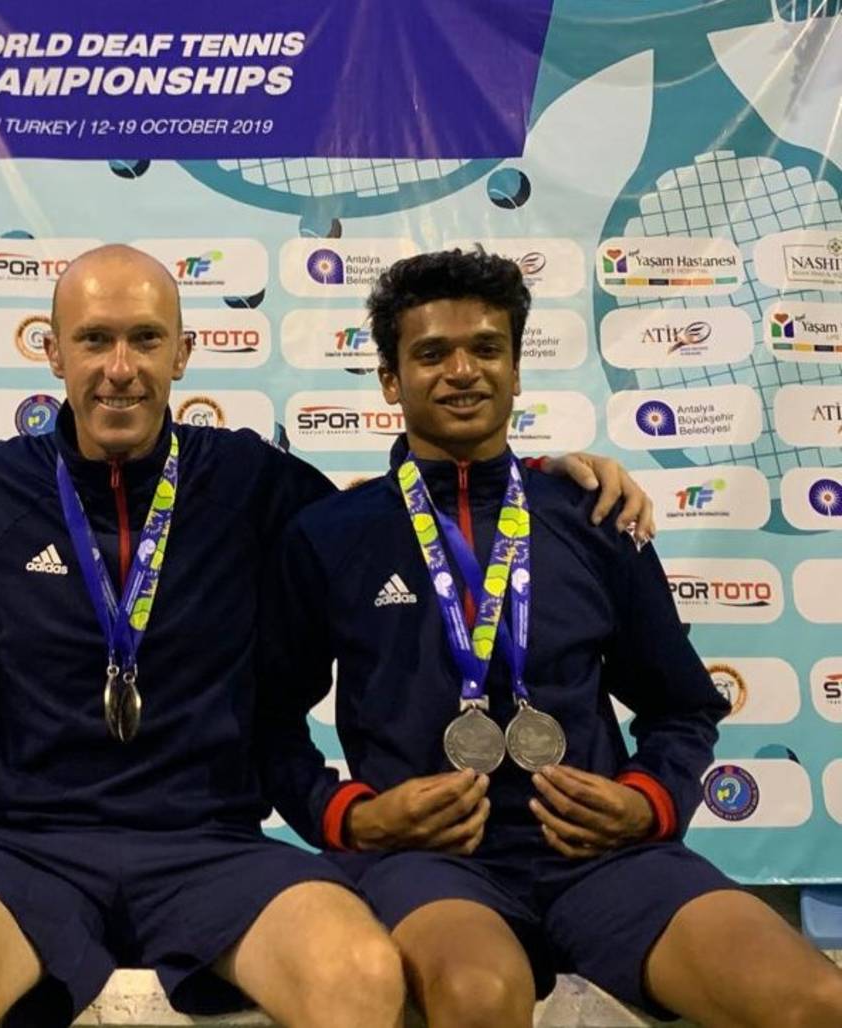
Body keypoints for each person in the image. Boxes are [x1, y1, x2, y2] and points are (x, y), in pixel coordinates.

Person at [0, 244, 650, 1028]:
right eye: (94, 340)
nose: (119, 367)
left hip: (211, 843)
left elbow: (398, 515)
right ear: (53, 351)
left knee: (357, 970)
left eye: (143, 339)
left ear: (181, 351)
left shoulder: (252, 479)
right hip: (24, 843)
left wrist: (542, 478)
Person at [259, 249, 842, 1028]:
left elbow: (682, 707)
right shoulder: (330, 536)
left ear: (517, 369)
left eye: (487, 349)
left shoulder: (592, 515)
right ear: (391, 382)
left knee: (812, 1000)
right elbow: (267, 723)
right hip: (428, 863)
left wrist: (648, 803)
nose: (462, 371)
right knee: (477, 995)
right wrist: (351, 817)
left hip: (602, 858)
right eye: (432, 353)